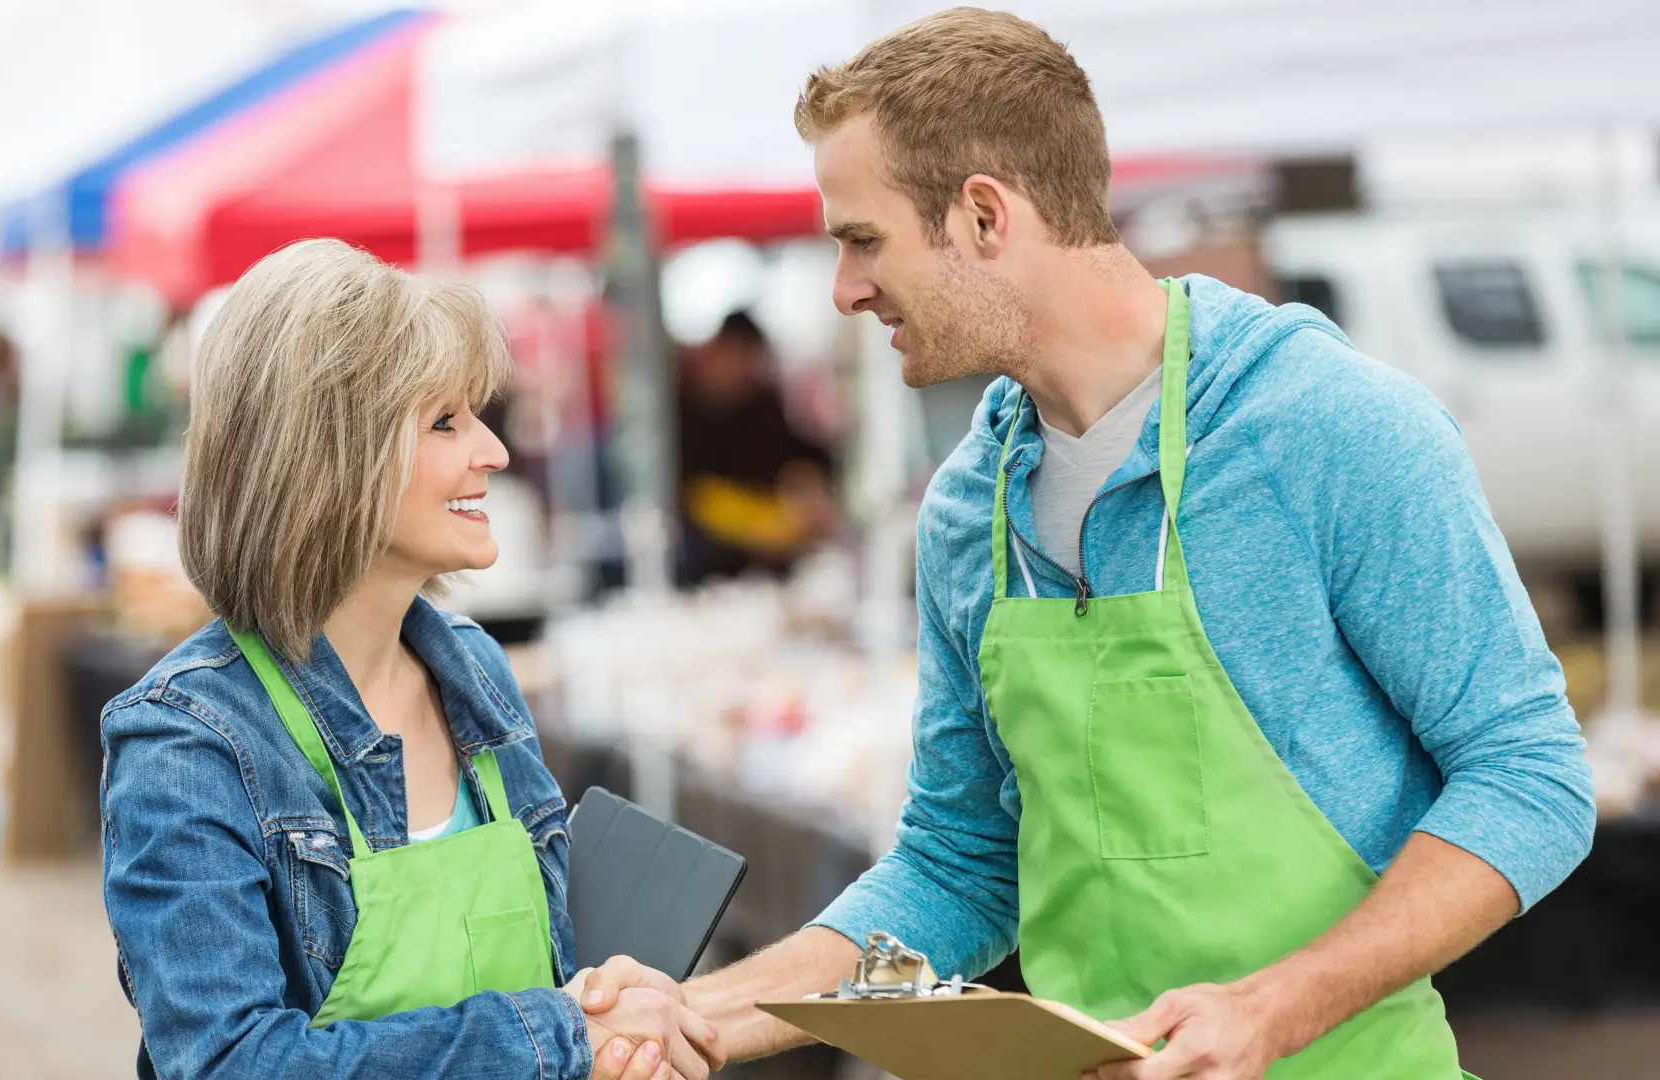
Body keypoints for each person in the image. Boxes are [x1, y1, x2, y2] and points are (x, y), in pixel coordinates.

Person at [586, 10, 1595, 1079]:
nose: (844, 289)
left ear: (983, 214)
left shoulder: (1324, 427)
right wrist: (705, 1011)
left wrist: (1273, 1010)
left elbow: (1530, 775)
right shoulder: (968, 507)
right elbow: (959, 865)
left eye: (862, 239)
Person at [100, 239, 722, 1080]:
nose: (494, 451)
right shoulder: (189, 744)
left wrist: (611, 1015)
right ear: (324, 455)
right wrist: (558, 1036)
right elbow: (231, 1064)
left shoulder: (475, 673)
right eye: (445, 422)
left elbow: (551, 979)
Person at [674, 310, 837, 585]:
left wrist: (809, 480)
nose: (739, 371)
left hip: (770, 562)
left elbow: (804, 456)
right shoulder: (676, 411)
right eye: (735, 357)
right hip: (702, 559)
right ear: (717, 349)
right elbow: (695, 498)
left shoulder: (762, 402)